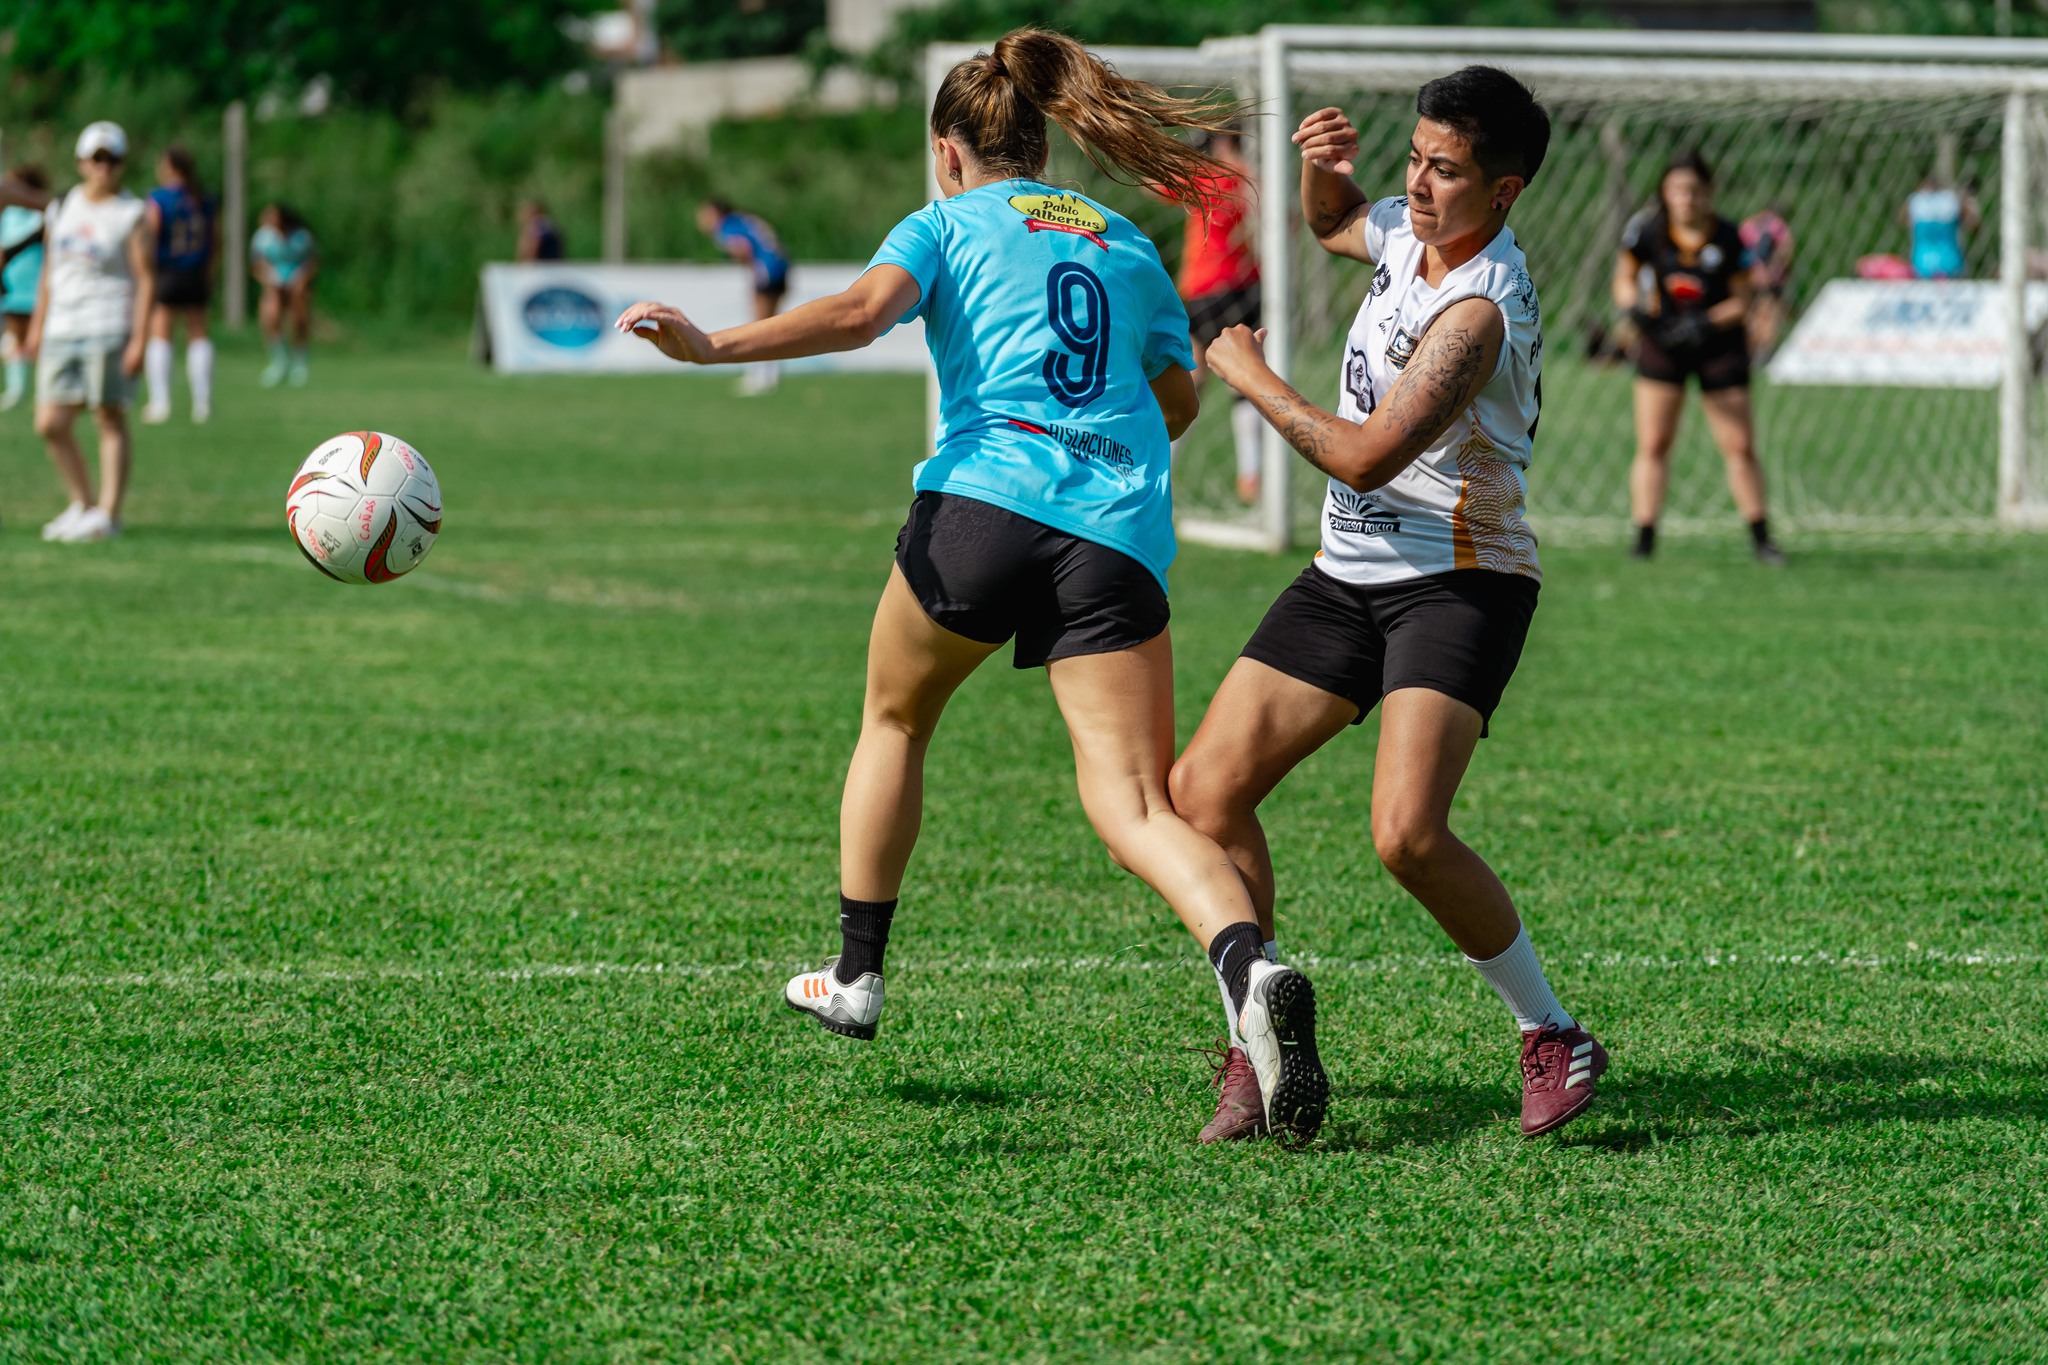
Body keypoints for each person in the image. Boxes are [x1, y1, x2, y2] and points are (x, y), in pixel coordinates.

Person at [620, 28, 1331, 1145]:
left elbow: (861, 315)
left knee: (896, 715)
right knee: (1136, 805)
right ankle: (1249, 970)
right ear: (1040, 143)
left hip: (983, 509)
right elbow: (1176, 402)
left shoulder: (944, 223)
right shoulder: (1128, 246)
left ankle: (857, 976)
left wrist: (713, 346)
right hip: (1111, 532)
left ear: (949, 150)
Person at [1171, 67, 1610, 1145]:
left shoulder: (1479, 310)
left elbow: (1366, 458)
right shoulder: (1407, 231)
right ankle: (1256, 1034)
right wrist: (1326, 174)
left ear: (1502, 192)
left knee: (1406, 834)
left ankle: (1550, 1032)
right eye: (1412, 159)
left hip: (1460, 581)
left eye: (1443, 171)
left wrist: (1249, 375)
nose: (1416, 186)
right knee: (1202, 791)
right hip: (1344, 576)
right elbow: (1335, 228)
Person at [1614, 151, 1782, 563]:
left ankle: (1761, 538)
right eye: (1677, 190)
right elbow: (1624, 279)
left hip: (1717, 344)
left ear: (1707, 193)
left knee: (1739, 444)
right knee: (1654, 441)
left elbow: (1743, 300)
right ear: (1665, 193)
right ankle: (1644, 539)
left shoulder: (1726, 237)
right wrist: (1635, 309)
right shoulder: (1648, 231)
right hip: (1662, 340)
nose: (1685, 198)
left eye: (1693, 190)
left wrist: (1704, 323)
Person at [28, 121, 154, 543]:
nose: (105, 167)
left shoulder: (130, 213)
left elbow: (145, 279)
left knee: (108, 416)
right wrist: (36, 325)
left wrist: (140, 338)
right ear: (82, 162)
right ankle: (81, 502)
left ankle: (108, 514)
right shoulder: (61, 206)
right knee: (50, 422)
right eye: (98, 158)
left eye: (113, 159)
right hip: (63, 324)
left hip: (108, 321)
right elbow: (49, 269)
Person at [1173, 128, 1265, 505]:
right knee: (1239, 380)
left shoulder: (1207, 176)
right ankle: (1251, 476)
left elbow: (1154, 184)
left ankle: (1164, 471)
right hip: (1240, 287)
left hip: (1208, 288)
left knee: (1196, 379)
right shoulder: (1251, 179)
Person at [141, 144, 217, 424]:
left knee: (161, 333)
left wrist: (144, 273)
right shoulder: (204, 198)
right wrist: (210, 272)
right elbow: (215, 240)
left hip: (168, 272)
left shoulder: (159, 198)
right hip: (196, 270)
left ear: (170, 167)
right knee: (199, 334)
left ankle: (160, 403)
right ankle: (203, 403)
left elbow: (151, 236)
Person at [695, 197, 789, 395]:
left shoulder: (726, 227)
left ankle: (761, 376)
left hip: (766, 271)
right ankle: (770, 374)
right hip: (781, 266)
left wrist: (750, 268)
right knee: (772, 323)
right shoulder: (743, 220)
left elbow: (743, 249)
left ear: (715, 213)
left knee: (760, 325)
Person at [1, 164, 51, 411]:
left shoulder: (40, 214)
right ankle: (16, 391)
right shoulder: (8, 214)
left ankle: (45, 391)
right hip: (12, 285)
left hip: (35, 287)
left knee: (39, 342)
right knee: (16, 339)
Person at [251, 202, 317, 387]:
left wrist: (301, 281)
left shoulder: (301, 237)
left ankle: (300, 361)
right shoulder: (263, 237)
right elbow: (257, 265)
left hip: (297, 281)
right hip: (274, 280)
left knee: (299, 318)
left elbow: (313, 261)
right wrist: (269, 280)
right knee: (270, 317)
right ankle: (279, 360)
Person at [1738, 203, 1793, 362]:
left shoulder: (1748, 225)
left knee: (1750, 314)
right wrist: (1779, 269)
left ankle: (1750, 349)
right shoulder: (1777, 225)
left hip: (1748, 277)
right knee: (1769, 314)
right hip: (1771, 278)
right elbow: (1786, 249)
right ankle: (1765, 351)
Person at [1903, 172, 1977, 281]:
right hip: (1951, 263)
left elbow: (1904, 219)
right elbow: (1973, 225)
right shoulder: (1951, 201)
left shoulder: (1915, 201)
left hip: (1922, 264)